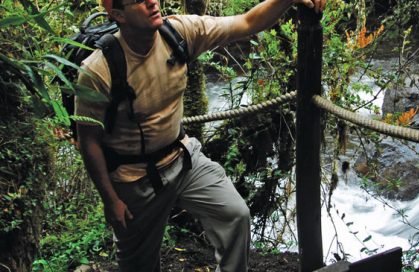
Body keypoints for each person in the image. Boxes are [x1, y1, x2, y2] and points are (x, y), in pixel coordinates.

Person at [75, 0, 325, 271]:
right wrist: (111, 200)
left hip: (182, 158)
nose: (151, 2)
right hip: (134, 178)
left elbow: (247, 22)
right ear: (118, 15)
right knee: (138, 265)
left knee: (235, 216)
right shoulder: (98, 70)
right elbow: (89, 141)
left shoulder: (179, 33)